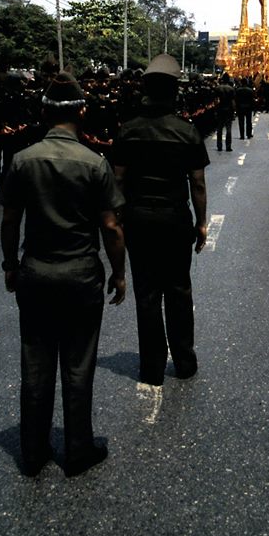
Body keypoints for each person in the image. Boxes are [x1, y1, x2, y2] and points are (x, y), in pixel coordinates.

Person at [0, 72, 126, 477]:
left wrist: (10, 265)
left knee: (35, 364)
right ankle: (77, 450)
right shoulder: (94, 162)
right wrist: (120, 273)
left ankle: (33, 453)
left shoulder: (22, 159)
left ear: (43, 113)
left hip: (35, 272)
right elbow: (110, 226)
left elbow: (9, 220)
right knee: (78, 364)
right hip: (80, 275)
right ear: (82, 112)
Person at [113, 54, 209, 386]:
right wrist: (202, 223)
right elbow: (197, 182)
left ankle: (152, 368)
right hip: (175, 218)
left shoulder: (128, 130)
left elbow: (118, 180)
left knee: (147, 293)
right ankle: (184, 361)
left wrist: (119, 220)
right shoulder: (186, 131)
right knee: (179, 289)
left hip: (138, 220)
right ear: (173, 92)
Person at [215, 71, 235, 151]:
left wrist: (216, 109)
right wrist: (233, 110)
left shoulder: (218, 88)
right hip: (228, 109)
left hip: (220, 109)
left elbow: (216, 100)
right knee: (228, 129)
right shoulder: (231, 89)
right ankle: (228, 146)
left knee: (219, 128)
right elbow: (233, 101)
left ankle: (219, 145)